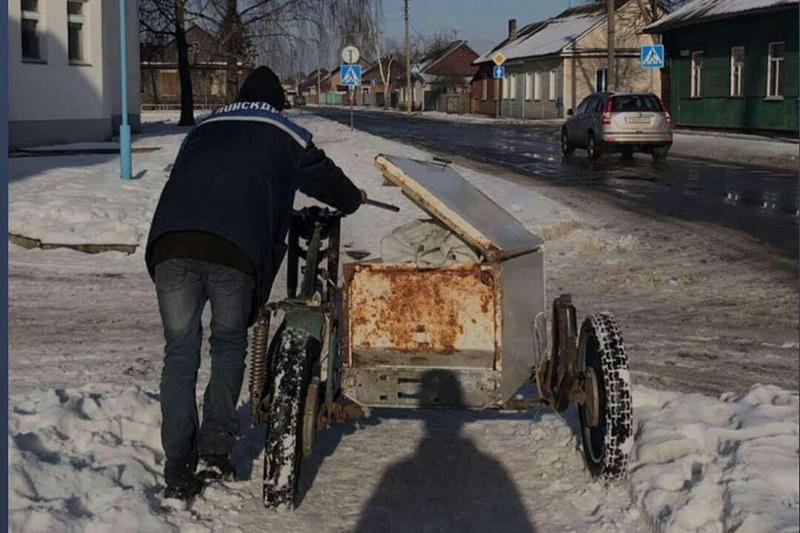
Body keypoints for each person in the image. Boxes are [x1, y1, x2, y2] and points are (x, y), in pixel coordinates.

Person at [145, 66, 364, 500]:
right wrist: (354, 198)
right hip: (233, 250)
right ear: (277, 103)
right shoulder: (283, 130)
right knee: (227, 345)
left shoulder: (205, 128)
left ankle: (177, 465)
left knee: (180, 352)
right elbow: (327, 181)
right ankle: (214, 452)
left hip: (171, 244)